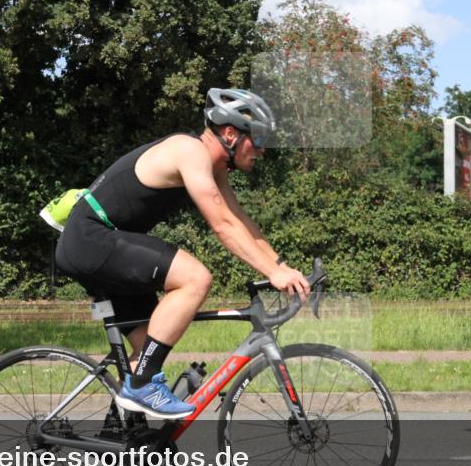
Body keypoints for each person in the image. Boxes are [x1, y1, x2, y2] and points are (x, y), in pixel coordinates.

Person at [55, 88, 310, 419]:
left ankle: (123, 440)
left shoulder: (213, 166)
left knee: (148, 345)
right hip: (91, 239)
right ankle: (143, 384)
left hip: (102, 243)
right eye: (258, 138)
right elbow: (222, 227)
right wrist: (273, 274)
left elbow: (240, 221)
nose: (262, 149)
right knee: (195, 278)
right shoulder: (190, 151)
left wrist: (281, 266)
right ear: (230, 133)